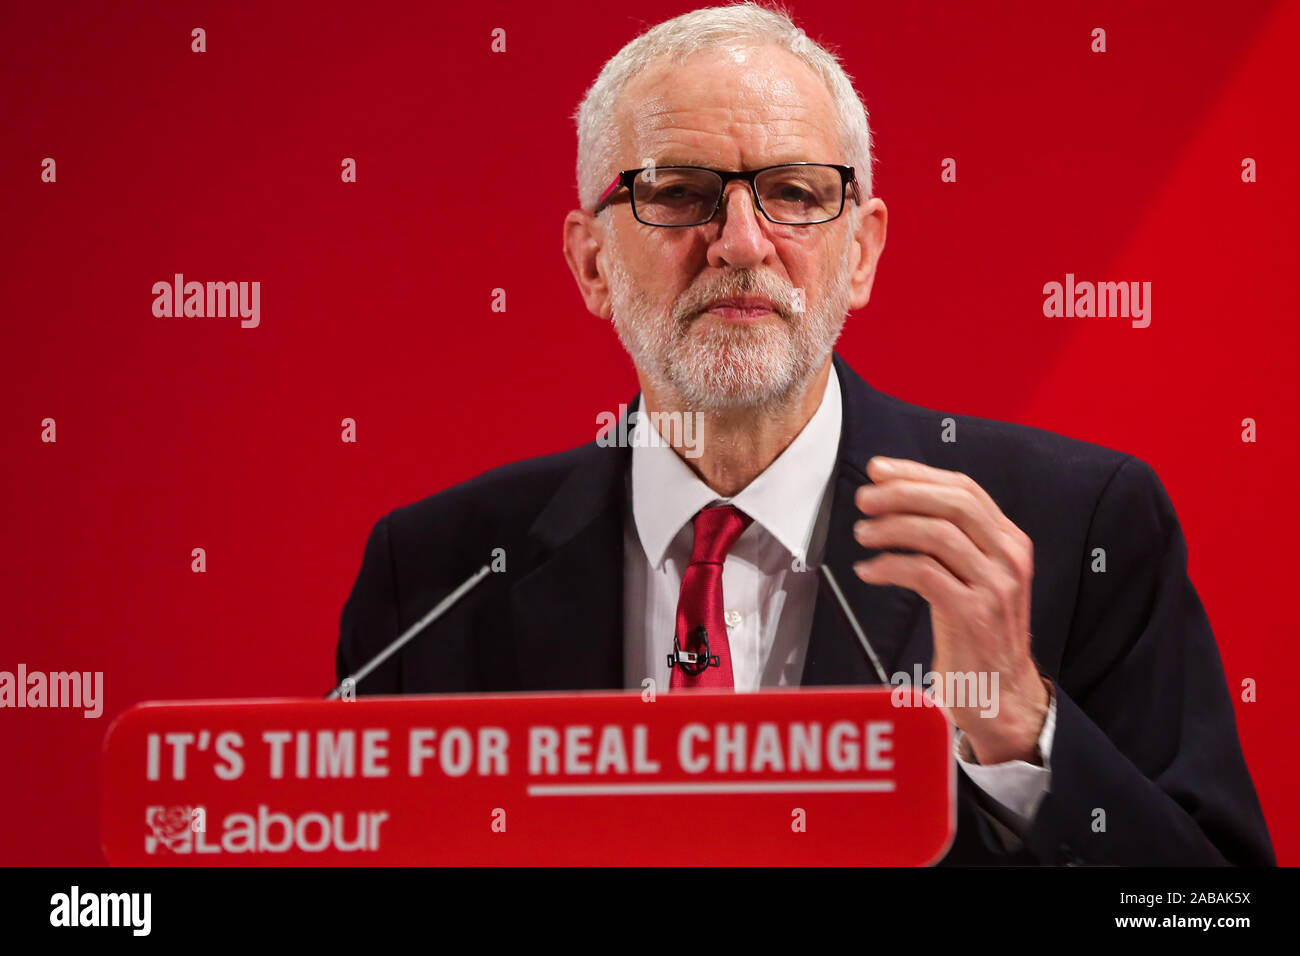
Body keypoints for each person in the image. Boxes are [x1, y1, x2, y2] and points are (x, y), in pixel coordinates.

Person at [337, 2, 1273, 865]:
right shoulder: (432, 576)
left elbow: (1201, 914)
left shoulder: (1079, 526)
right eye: (678, 193)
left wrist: (1020, 728)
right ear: (591, 262)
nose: (741, 241)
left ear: (860, 252)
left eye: (792, 191)